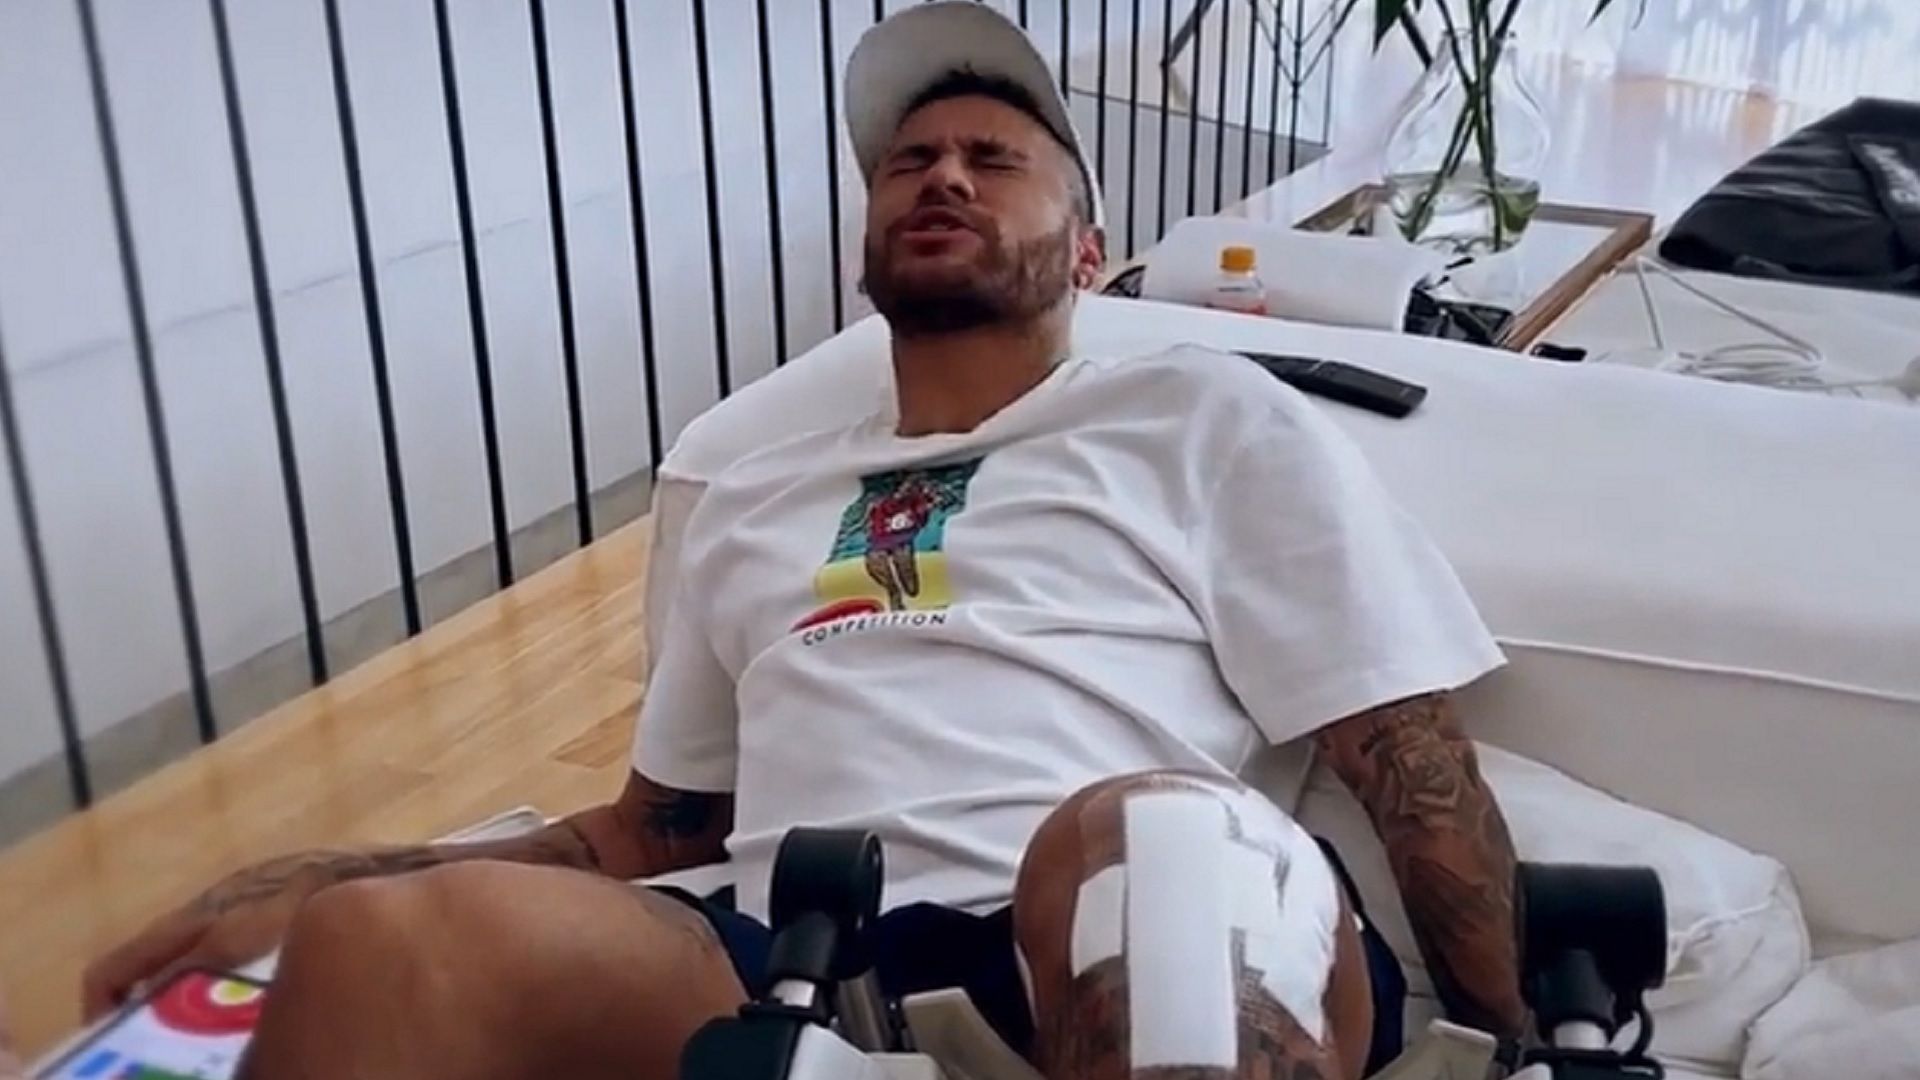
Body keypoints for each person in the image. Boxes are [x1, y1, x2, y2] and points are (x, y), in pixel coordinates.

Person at [82, 5, 1523, 1078]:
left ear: (1089, 252)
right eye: (910, 163)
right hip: (800, 976)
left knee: (1154, 840)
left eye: (993, 159)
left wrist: (1517, 1036)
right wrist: (324, 881)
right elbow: (657, 833)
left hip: (1136, 937)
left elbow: (1405, 755)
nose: (942, 177)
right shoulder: (756, 490)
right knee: (378, 946)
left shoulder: (1200, 413)